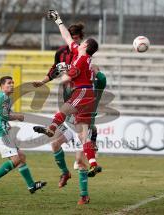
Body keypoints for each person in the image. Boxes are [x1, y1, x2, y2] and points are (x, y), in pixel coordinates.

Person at [34, 10, 99, 205]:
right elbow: (65, 35)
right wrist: (58, 20)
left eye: (81, 42)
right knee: (64, 141)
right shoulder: (80, 53)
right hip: (81, 103)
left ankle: (84, 194)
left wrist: (63, 74)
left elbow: (68, 78)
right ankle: (90, 165)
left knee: (79, 157)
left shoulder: (81, 59)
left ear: (84, 45)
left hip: (82, 97)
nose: (77, 43)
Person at [0, 76, 46, 194]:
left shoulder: (2, 97)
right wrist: (17, 116)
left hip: (3, 132)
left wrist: (5, 124)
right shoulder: (4, 98)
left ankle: (31, 186)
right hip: (0, 134)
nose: (12, 85)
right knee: (16, 159)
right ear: (2, 86)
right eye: (9, 83)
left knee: (21, 157)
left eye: (13, 83)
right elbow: (3, 116)